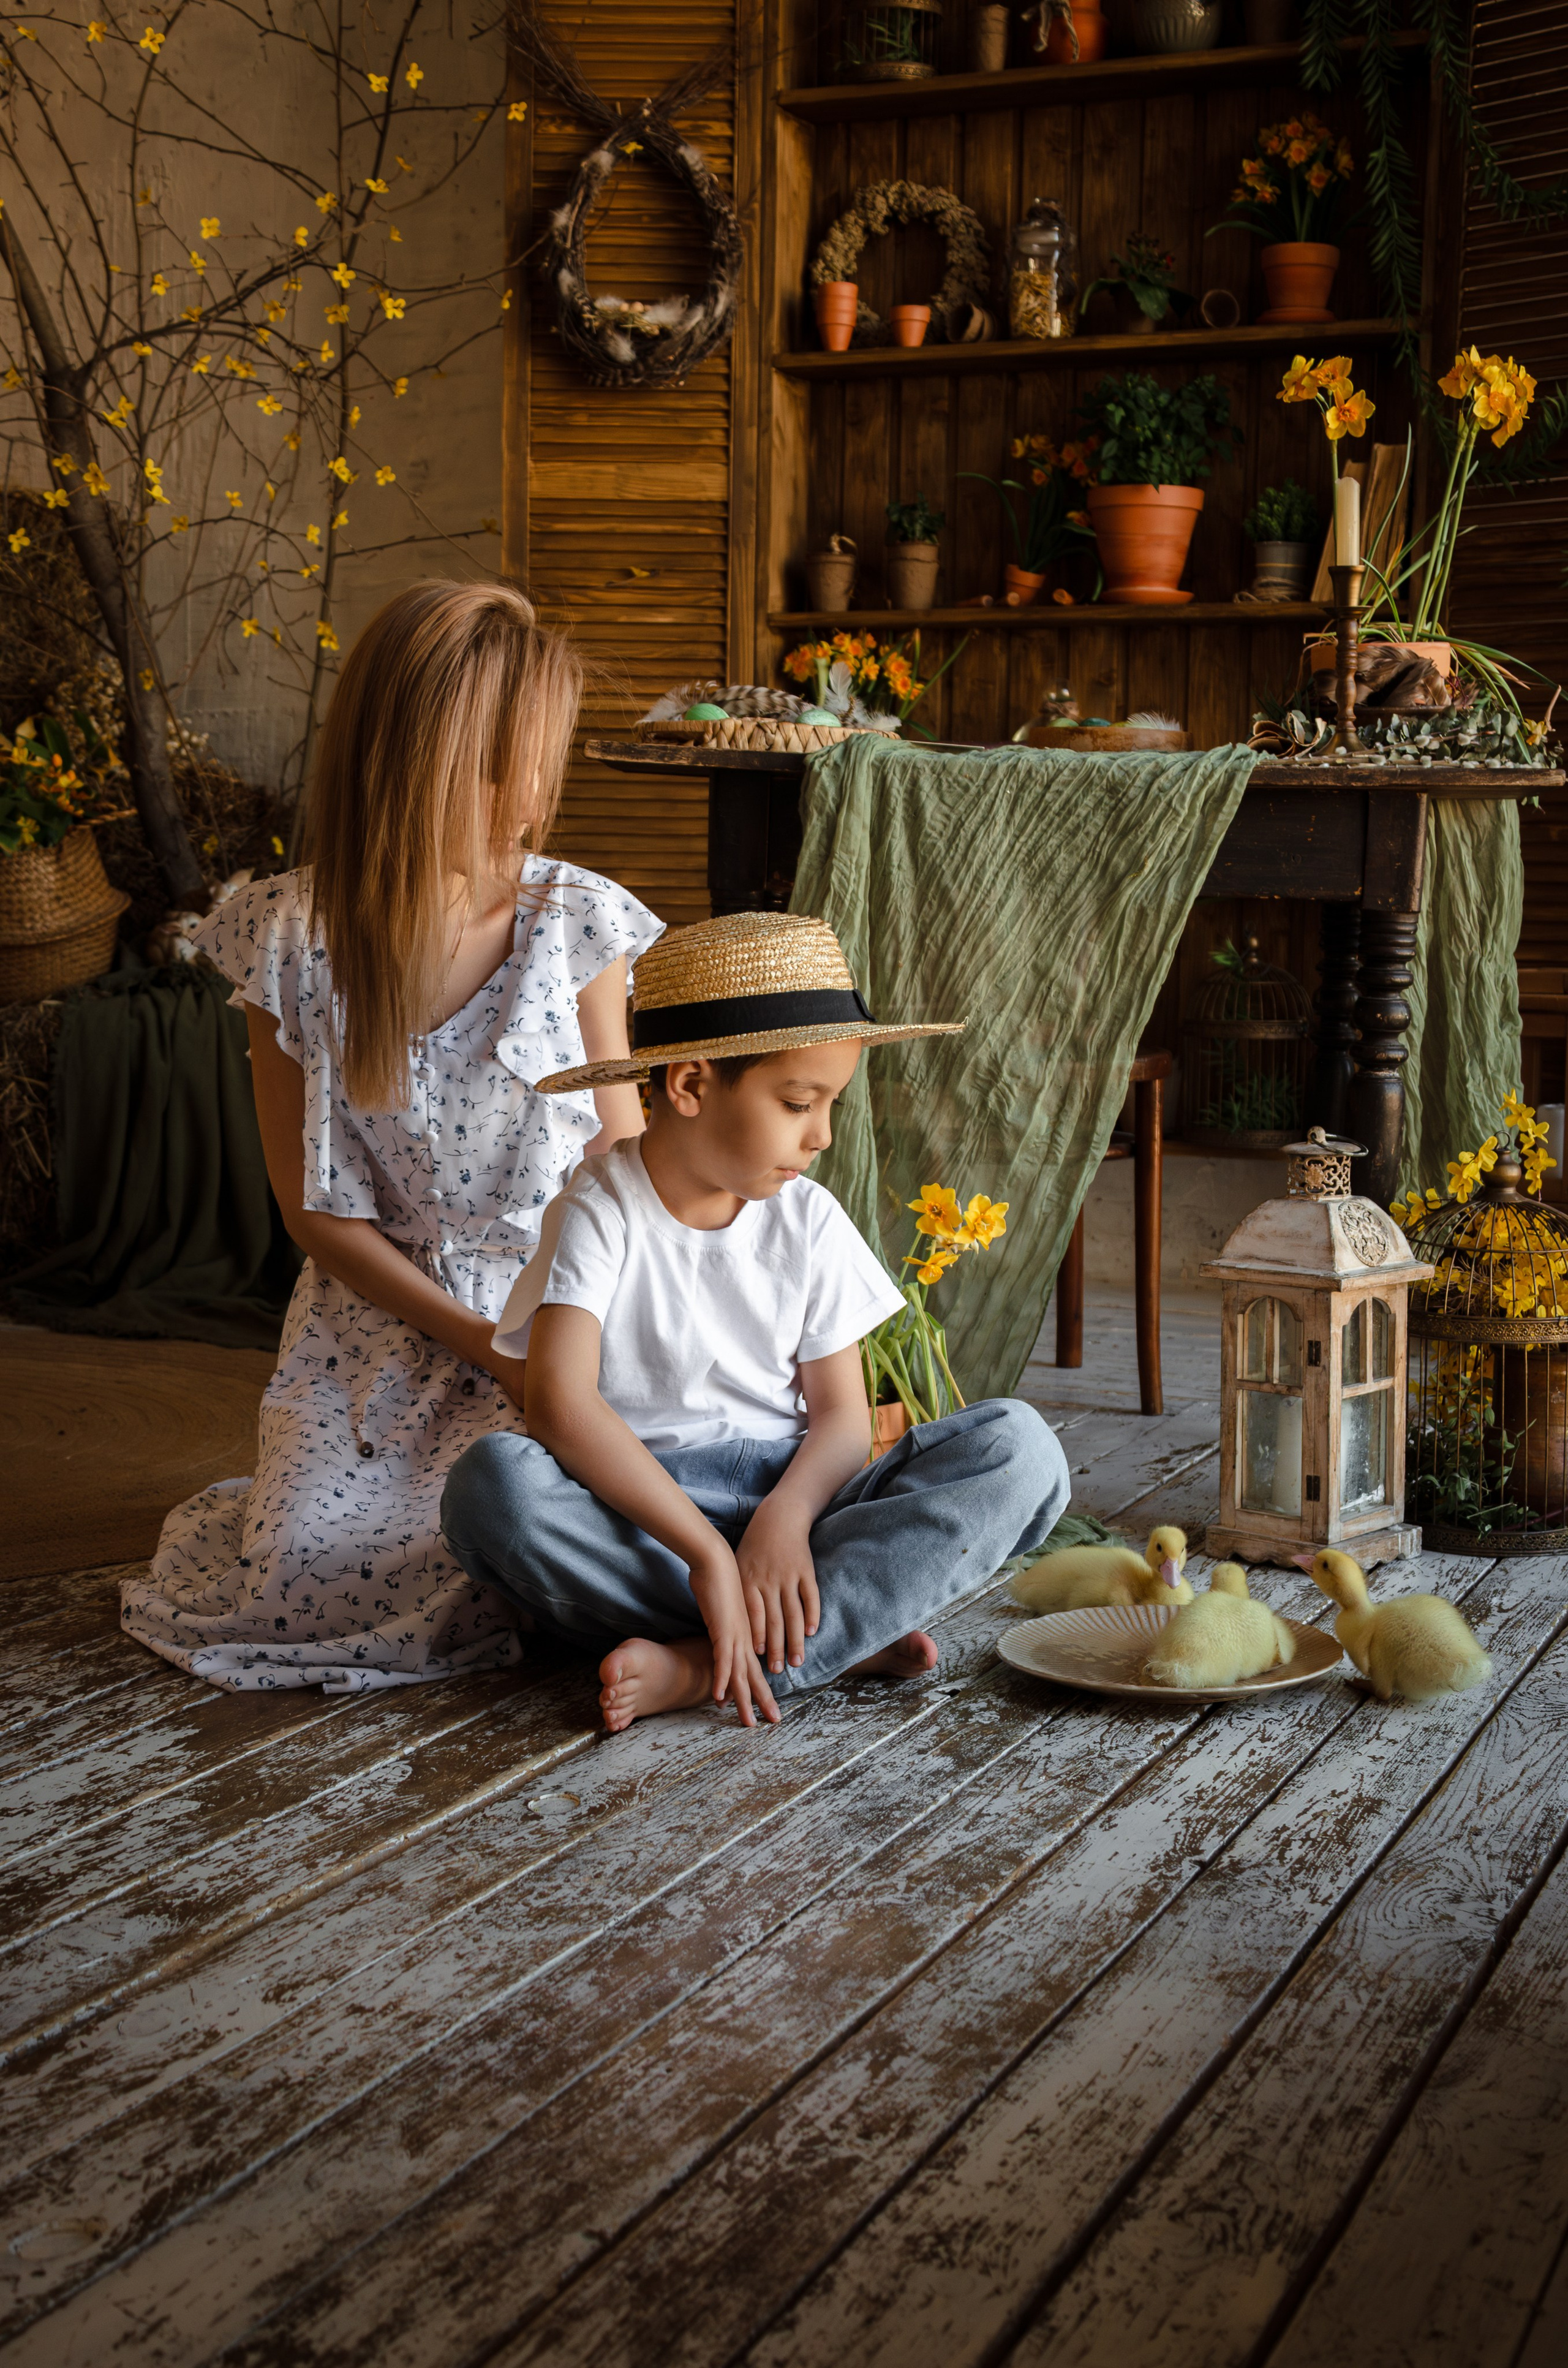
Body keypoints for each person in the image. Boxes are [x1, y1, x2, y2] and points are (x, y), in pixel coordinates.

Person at [121, 581, 664, 1691]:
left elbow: (624, 1159)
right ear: (425, 762)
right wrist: (478, 1347)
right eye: (517, 762)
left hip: (561, 1305)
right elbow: (313, 1213)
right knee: (310, 1574)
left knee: (560, 1522)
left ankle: (722, 1600)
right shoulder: (290, 939)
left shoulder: (579, 920)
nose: (541, 793)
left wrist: (571, 1348)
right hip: (378, 1333)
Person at [441, 910, 1070, 1731]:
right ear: (692, 1085)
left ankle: (711, 1664)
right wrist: (706, 1552)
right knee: (492, 1490)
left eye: (830, 1103)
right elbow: (558, 1405)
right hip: (645, 1517)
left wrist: (784, 1520)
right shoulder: (598, 1209)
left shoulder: (807, 1219)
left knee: (1022, 1451)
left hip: (800, 1502)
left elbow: (843, 1419)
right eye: (798, 1101)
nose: (822, 1135)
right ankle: (829, 1632)